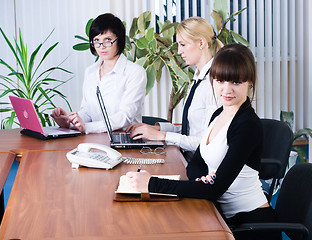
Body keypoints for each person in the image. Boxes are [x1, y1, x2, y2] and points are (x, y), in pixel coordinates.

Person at [125, 44, 281, 240]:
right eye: (220, 80)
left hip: (249, 226)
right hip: (220, 215)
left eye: (236, 82)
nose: (226, 90)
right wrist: (205, 178)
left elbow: (214, 190)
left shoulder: (247, 125)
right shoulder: (219, 113)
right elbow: (196, 163)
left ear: (249, 82)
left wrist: (152, 184)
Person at [126, 16, 223, 160]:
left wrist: (162, 136)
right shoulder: (198, 79)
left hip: (202, 167)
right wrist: (157, 128)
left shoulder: (215, 84)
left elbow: (205, 142)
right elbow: (190, 130)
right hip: (189, 159)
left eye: (183, 44)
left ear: (201, 43)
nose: (178, 51)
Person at [51, 13, 146, 134]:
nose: (101, 46)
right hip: (94, 138)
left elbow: (125, 117)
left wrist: (87, 128)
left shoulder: (135, 72)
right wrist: (70, 121)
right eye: (96, 40)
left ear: (119, 40)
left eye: (107, 40)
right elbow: (87, 112)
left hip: (125, 140)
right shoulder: (90, 72)